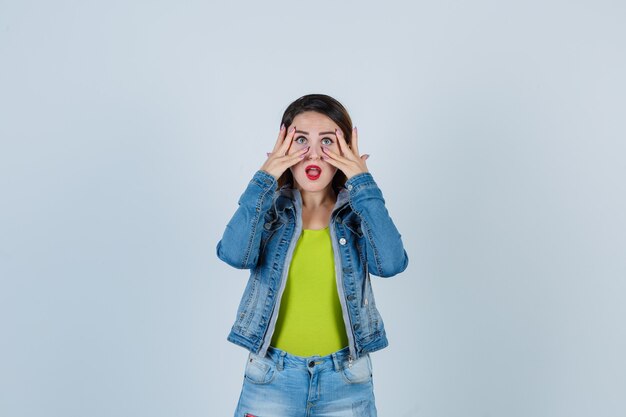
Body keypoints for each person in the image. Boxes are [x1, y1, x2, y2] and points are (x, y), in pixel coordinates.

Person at [216, 94, 408, 417]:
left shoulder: (356, 215)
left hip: (346, 381)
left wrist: (362, 182)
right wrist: (264, 178)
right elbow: (233, 253)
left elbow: (391, 263)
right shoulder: (271, 211)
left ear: (346, 150)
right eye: (301, 140)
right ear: (284, 147)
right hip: (271, 378)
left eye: (329, 142)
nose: (314, 154)